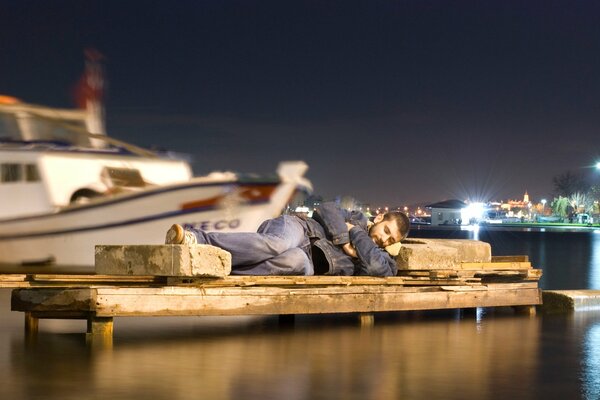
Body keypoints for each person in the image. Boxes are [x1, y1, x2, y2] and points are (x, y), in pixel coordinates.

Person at [165, 202, 410, 277]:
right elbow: (326, 209)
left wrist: (355, 235)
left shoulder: (384, 260)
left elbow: (375, 266)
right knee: (279, 244)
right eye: (386, 231)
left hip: (307, 263)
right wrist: (347, 238)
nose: (383, 240)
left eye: (391, 241)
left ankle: (214, 268)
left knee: (295, 262)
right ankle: (195, 238)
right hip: (299, 230)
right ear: (379, 218)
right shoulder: (356, 217)